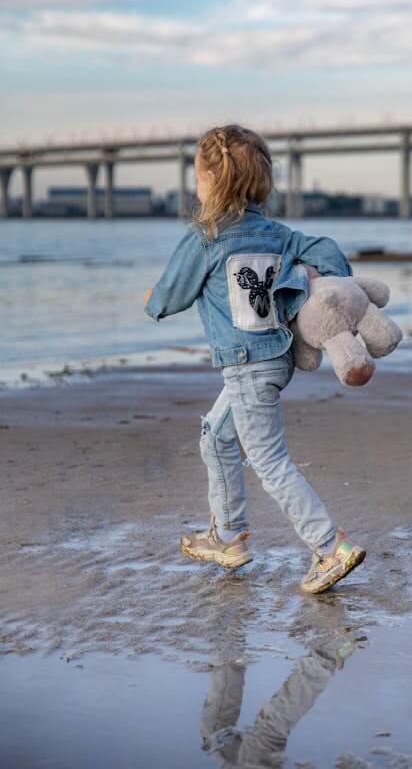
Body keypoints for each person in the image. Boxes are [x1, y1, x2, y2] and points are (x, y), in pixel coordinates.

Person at [144, 124, 366, 594]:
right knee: (216, 435)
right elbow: (329, 251)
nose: (195, 184)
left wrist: (152, 300)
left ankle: (330, 547)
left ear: (213, 182)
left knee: (269, 461)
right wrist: (323, 276)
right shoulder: (277, 233)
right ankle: (226, 537)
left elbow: (169, 295)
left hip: (246, 367)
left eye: (198, 176)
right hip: (276, 359)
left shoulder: (205, 238)